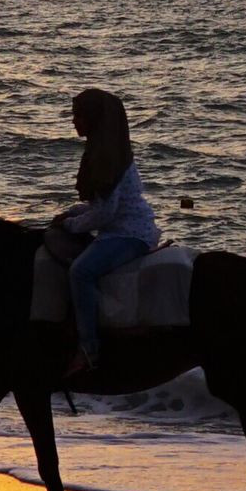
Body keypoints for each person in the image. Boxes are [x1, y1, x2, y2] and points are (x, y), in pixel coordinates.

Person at [59, 86, 161, 377]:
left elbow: (106, 213)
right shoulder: (105, 152)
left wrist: (70, 225)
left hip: (128, 234)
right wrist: (72, 213)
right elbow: (100, 206)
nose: (74, 121)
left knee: (80, 272)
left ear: (93, 119)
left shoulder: (107, 159)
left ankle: (89, 349)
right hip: (118, 229)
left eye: (79, 115)